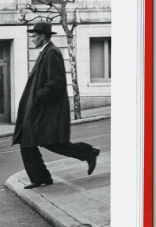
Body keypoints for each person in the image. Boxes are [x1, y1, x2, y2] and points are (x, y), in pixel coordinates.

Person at [13, 22, 99, 189]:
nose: (32, 39)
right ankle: (41, 177)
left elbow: (55, 81)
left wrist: (38, 97)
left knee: (50, 142)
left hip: (45, 109)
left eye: (34, 36)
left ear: (42, 36)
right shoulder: (46, 51)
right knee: (27, 142)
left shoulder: (52, 52)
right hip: (39, 108)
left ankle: (88, 152)